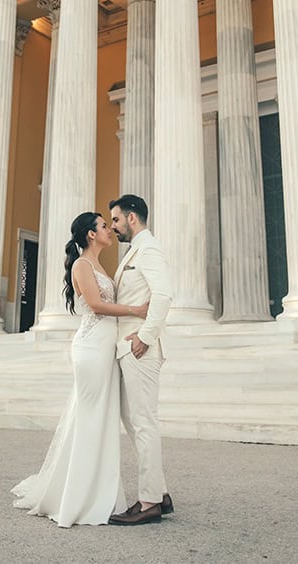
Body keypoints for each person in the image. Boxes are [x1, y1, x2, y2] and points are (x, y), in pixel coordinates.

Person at [11, 211, 148, 528]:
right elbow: (97, 306)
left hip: (105, 346)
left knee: (100, 418)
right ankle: (77, 496)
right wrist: (135, 310)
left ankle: (99, 489)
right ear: (90, 234)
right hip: (90, 348)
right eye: (103, 226)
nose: (109, 230)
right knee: (90, 417)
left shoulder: (100, 265)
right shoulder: (82, 265)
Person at [108, 194, 174, 526]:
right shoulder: (135, 251)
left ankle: (148, 502)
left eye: (116, 220)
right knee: (134, 421)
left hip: (140, 350)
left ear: (132, 218)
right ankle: (158, 491)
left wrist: (146, 338)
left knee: (144, 423)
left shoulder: (149, 249)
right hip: (128, 349)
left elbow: (162, 295)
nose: (114, 226)